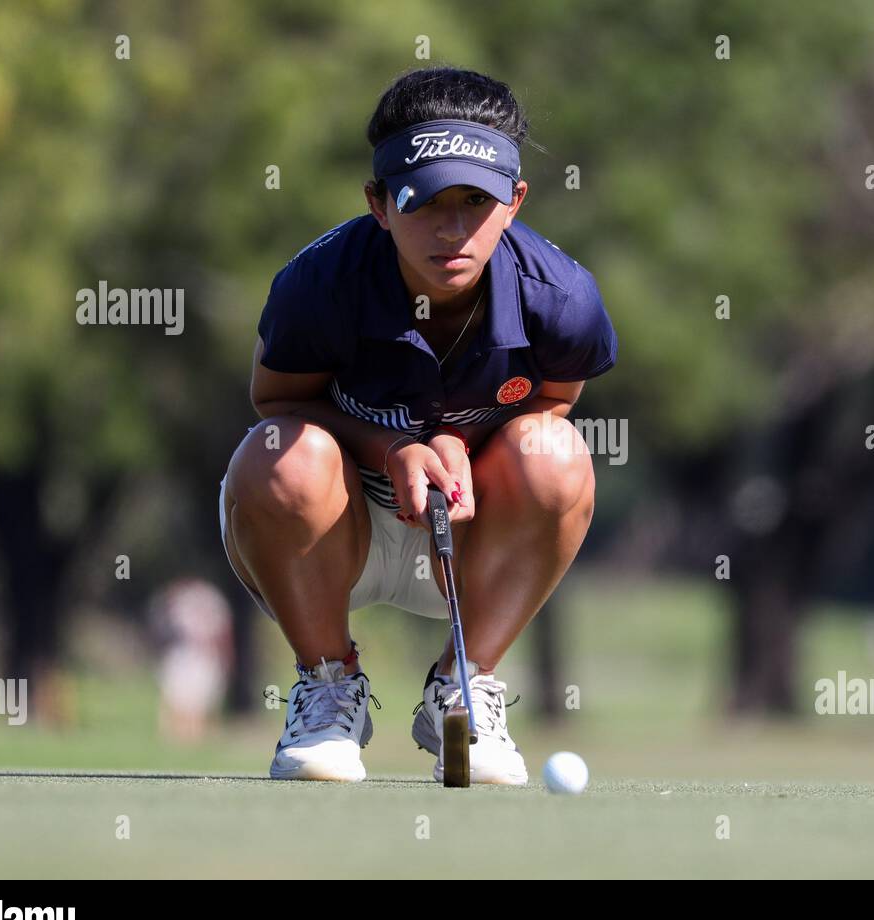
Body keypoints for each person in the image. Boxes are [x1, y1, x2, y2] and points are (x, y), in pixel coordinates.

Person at [218, 66, 618, 784]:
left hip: (468, 541)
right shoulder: (319, 286)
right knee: (279, 454)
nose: (453, 228)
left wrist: (461, 447)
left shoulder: (562, 299)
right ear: (378, 202)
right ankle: (327, 687)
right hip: (332, 537)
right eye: (425, 201)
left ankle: (462, 692)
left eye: (477, 201)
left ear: (515, 202)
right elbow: (274, 403)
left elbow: (552, 405)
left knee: (555, 451)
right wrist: (390, 445)